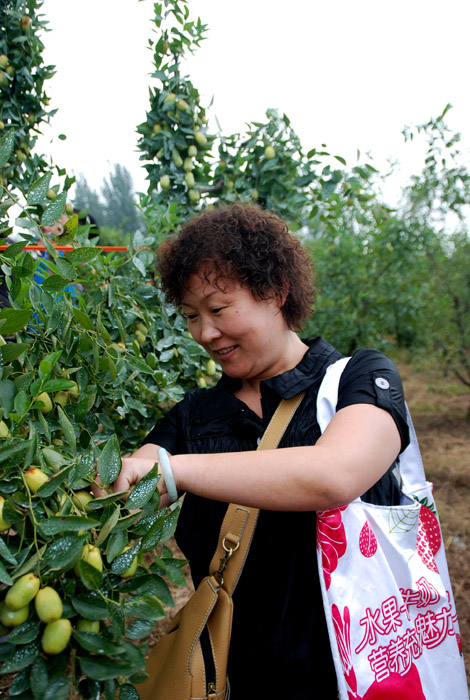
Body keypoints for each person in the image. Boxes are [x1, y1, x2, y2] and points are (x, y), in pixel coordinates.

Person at [114, 204, 409, 699]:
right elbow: (137, 483)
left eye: (218, 309)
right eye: (191, 316)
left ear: (275, 292)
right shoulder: (194, 416)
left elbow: (334, 474)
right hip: (241, 675)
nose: (204, 334)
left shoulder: (358, 380)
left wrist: (176, 470)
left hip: (358, 667)